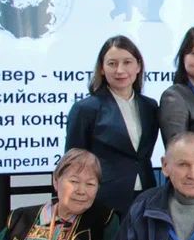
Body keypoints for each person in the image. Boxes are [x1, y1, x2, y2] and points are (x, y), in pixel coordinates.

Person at [65, 35, 159, 218]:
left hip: (145, 196)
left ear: (138, 66)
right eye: (112, 64)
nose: (120, 70)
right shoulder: (85, 109)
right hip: (103, 200)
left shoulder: (150, 106)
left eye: (127, 62)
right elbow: (73, 162)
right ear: (101, 68)